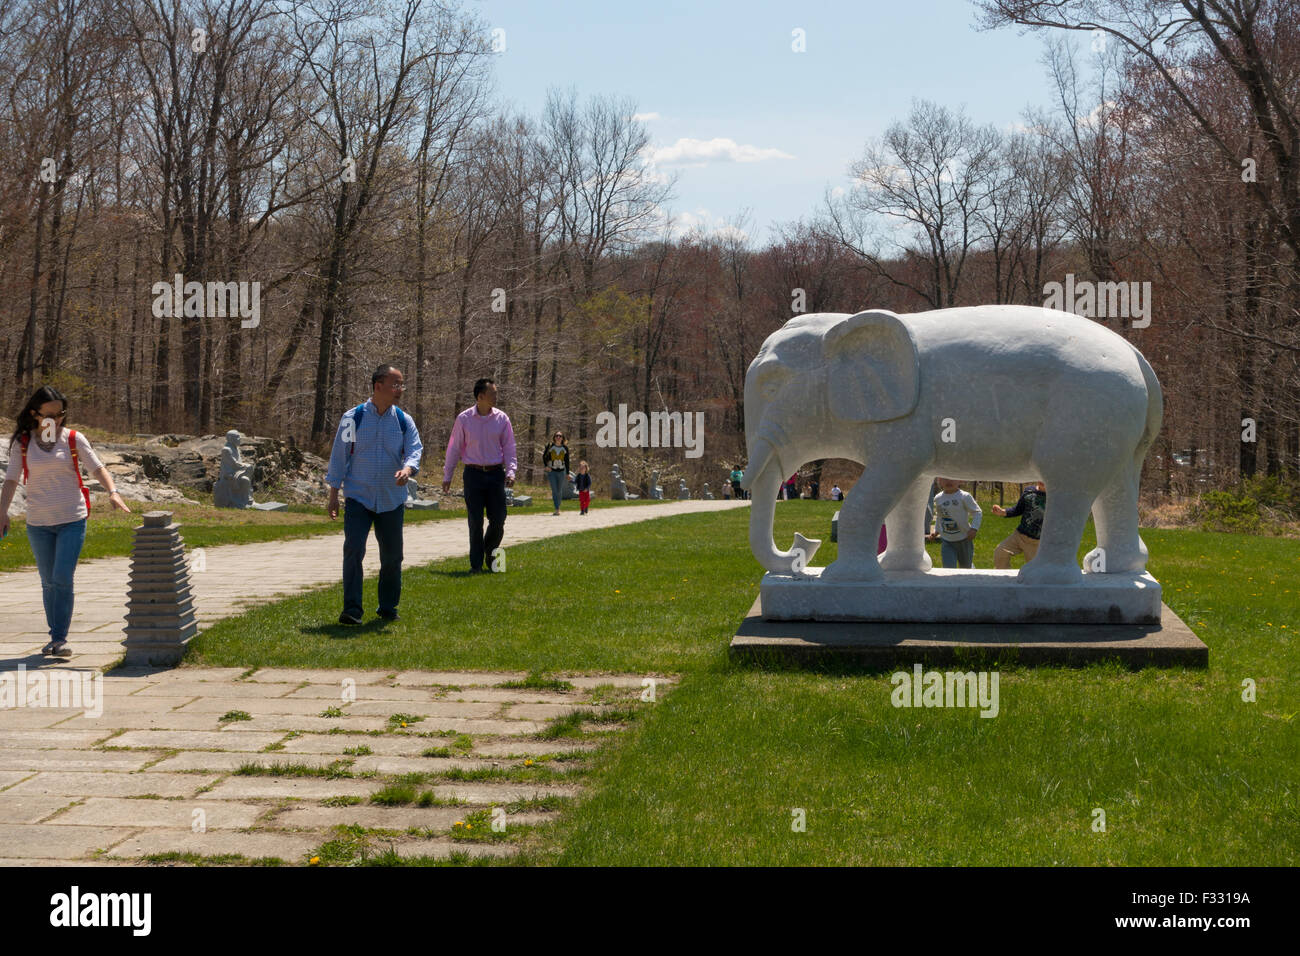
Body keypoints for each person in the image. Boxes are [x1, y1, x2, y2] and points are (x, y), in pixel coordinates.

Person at [1, 386, 131, 657]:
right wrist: (2, 512)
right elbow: (12, 479)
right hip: (38, 522)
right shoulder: (23, 443)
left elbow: (97, 467)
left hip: (72, 518)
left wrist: (113, 492)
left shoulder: (73, 438)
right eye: (50, 415)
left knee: (62, 578)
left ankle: (60, 638)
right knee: (48, 581)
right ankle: (54, 637)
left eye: (61, 414)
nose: (57, 420)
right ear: (35, 414)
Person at [325, 365, 424, 625]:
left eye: (401, 385)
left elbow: (415, 449)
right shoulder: (353, 418)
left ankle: (388, 608)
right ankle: (352, 610)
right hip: (359, 497)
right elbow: (339, 456)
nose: (400, 390)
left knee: (392, 557)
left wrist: (408, 468)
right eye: (395, 384)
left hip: (391, 499)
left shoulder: (403, 420)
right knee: (353, 550)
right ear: (378, 386)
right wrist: (334, 494)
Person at [443, 378, 517, 572]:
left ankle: (489, 551)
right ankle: (475, 565)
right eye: (493, 393)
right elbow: (454, 447)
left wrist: (510, 471)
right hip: (473, 475)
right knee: (475, 521)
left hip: (495, 475)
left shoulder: (502, 419)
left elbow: (509, 447)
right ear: (480, 396)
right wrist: (447, 475)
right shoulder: (464, 419)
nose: (496, 396)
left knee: (499, 519)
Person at [926, 477, 982, 569]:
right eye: (945, 478)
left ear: (960, 480)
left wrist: (974, 528)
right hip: (947, 541)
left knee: (965, 568)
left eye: (952, 478)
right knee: (948, 569)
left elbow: (977, 512)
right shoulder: (938, 498)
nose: (949, 481)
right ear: (939, 480)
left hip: (964, 539)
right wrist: (936, 531)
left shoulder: (964, 496)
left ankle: (971, 568)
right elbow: (941, 517)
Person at [992, 480, 1046, 569]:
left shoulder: (1054, 497)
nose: (1042, 481)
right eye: (1040, 477)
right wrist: (1003, 512)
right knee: (1000, 552)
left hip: (1037, 542)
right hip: (1019, 535)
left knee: (1036, 571)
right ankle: (1003, 578)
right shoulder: (1029, 491)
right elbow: (1018, 509)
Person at [541, 431, 570, 515]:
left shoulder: (565, 448)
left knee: (559, 490)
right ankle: (557, 508)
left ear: (562, 438)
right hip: (552, 471)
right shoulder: (550, 446)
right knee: (554, 490)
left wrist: (567, 473)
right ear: (554, 437)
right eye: (557, 436)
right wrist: (546, 465)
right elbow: (544, 457)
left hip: (561, 472)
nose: (558, 437)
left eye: (560, 436)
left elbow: (567, 461)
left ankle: (558, 507)